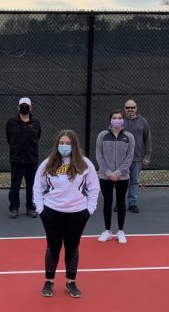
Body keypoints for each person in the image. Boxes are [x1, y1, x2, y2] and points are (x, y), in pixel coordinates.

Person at [33, 130, 100, 299]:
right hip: (52, 212)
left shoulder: (85, 164)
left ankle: (71, 282)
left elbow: (93, 187)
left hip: (77, 213)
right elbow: (37, 187)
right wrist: (41, 209)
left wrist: (89, 209)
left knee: (72, 247)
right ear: (57, 145)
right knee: (53, 247)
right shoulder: (48, 164)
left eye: (68, 143)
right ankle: (49, 281)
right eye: (61, 143)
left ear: (74, 145)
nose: (64, 146)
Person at [95, 110, 135, 244]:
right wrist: (107, 172)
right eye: (114, 118)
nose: (117, 120)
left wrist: (117, 173)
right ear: (110, 120)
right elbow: (99, 155)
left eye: (119, 118)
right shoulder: (102, 135)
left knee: (121, 202)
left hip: (122, 177)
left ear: (123, 120)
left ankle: (121, 231)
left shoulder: (129, 137)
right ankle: (107, 231)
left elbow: (130, 157)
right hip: (105, 176)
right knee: (107, 202)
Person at [6, 97, 42, 218]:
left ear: (31, 108)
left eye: (27, 106)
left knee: (32, 185)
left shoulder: (36, 123)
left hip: (31, 160)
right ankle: (14, 207)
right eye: (22, 106)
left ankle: (31, 207)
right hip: (16, 160)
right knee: (15, 185)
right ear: (18, 107)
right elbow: (9, 138)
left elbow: (38, 136)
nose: (24, 108)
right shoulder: (11, 122)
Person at [123, 99, 152, 213]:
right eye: (127, 107)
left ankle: (132, 204)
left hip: (137, 158)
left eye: (132, 107)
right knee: (121, 182)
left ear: (136, 108)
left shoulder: (143, 122)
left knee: (134, 181)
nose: (130, 109)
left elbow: (148, 140)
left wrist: (147, 156)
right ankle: (119, 203)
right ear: (124, 109)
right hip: (122, 159)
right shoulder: (119, 121)